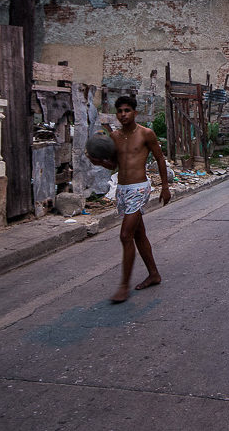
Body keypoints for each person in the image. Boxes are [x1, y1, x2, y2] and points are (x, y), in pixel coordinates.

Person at [88, 95, 171, 303]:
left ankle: (123, 287)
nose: (123, 114)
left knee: (125, 235)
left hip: (139, 189)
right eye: (120, 111)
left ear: (135, 112)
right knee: (138, 234)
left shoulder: (146, 134)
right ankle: (154, 274)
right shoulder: (114, 137)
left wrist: (165, 186)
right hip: (123, 190)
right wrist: (98, 161)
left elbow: (160, 158)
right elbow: (114, 166)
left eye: (127, 110)